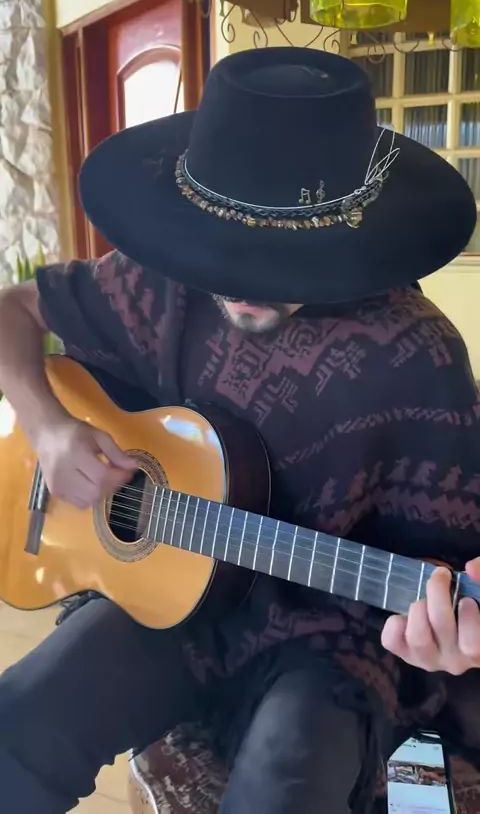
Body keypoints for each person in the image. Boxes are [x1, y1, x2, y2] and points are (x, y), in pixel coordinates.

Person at [0, 46, 480, 814]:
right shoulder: (166, 276)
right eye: (228, 252)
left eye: (280, 258)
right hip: (167, 601)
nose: (244, 283)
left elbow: (453, 572)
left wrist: (449, 634)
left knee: (281, 790)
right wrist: (50, 427)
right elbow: (12, 311)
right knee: (20, 718)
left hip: (330, 640)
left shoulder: (418, 357)